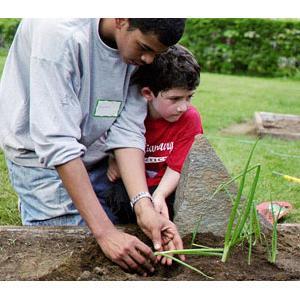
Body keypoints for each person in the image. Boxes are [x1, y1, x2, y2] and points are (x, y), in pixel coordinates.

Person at [0, 18, 186, 276]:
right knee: (70, 256)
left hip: (93, 149)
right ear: (121, 19)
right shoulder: (57, 31)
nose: (149, 60)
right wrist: (106, 232)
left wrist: (143, 206)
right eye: (144, 47)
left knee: (121, 240)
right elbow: (57, 142)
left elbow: (128, 128)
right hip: (40, 160)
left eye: (156, 53)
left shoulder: (137, 51)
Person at [106, 44, 203, 225]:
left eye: (189, 97)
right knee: (116, 197)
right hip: (135, 185)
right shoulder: (130, 115)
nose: (183, 107)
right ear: (148, 93)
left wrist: (159, 195)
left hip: (167, 186)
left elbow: (177, 167)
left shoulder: (190, 118)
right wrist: (113, 159)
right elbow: (110, 137)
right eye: (175, 99)